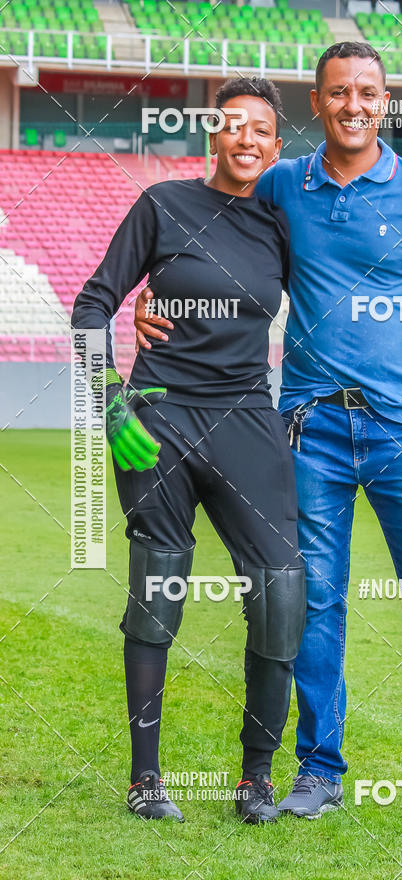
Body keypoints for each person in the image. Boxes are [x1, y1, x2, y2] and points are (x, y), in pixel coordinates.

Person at [136, 43, 402, 825]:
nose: (353, 105)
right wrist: (152, 295)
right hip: (309, 429)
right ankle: (319, 770)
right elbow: (204, 227)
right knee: (315, 604)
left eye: (367, 92)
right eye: (339, 92)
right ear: (317, 103)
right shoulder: (282, 184)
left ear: (385, 101)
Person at [71, 77, 306, 825]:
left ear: (276, 146)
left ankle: (256, 778)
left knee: (280, 590)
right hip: (159, 417)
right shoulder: (162, 204)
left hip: (247, 419)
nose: (246, 139)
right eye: (232, 125)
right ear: (213, 135)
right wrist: (111, 403)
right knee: (158, 590)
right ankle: (146, 781)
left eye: (260, 130)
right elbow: (92, 304)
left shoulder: (282, 224)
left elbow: (332, 302)